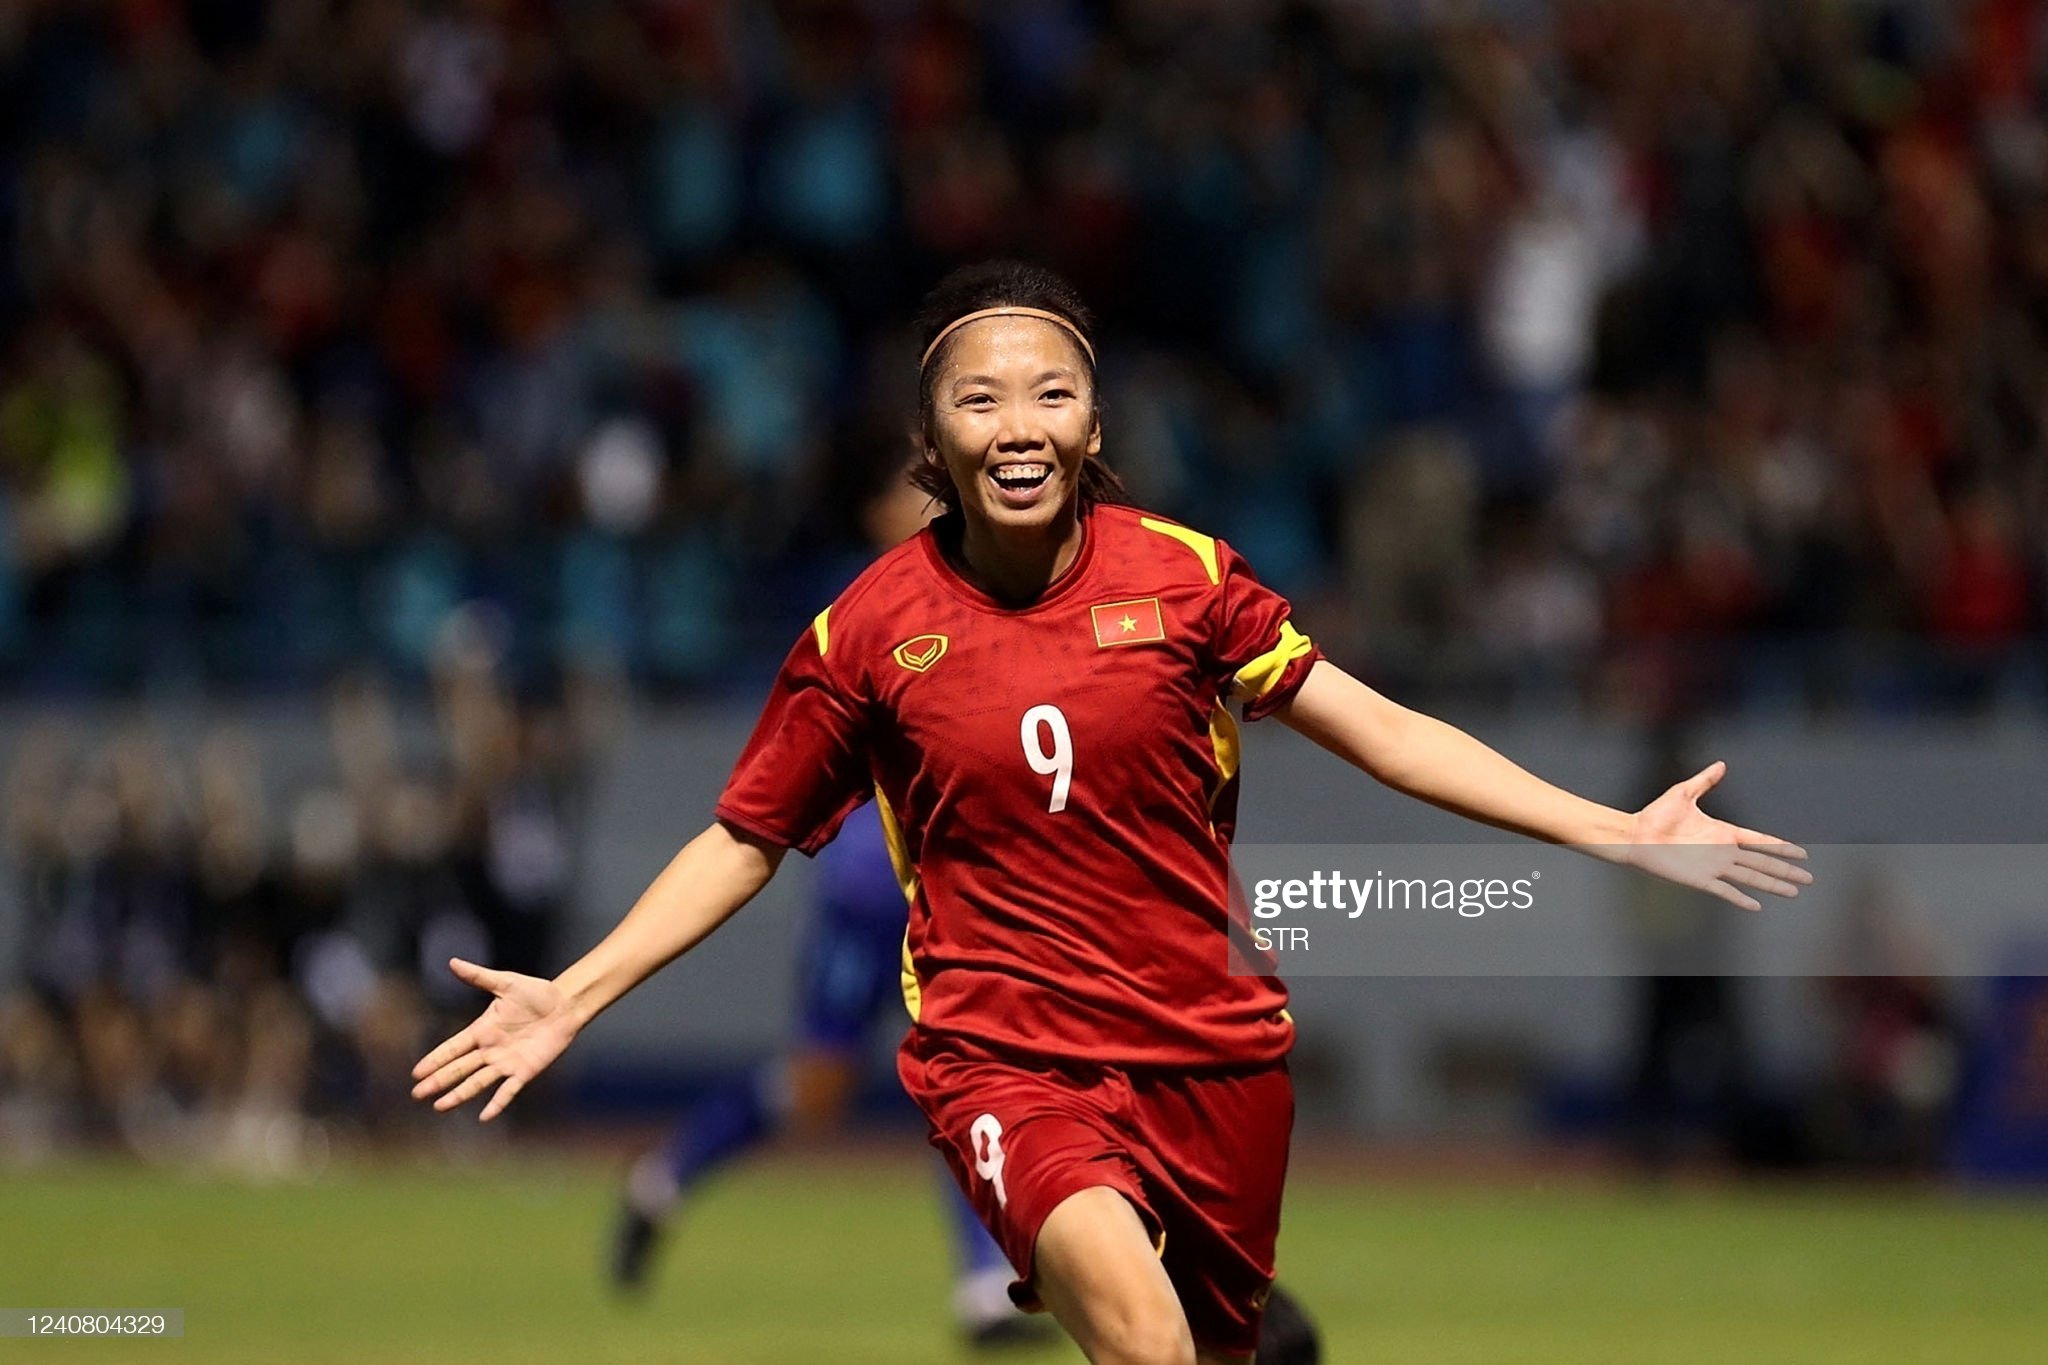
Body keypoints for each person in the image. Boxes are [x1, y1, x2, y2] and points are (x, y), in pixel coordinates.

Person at [413, 260, 1809, 1365]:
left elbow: (1380, 730)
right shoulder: (866, 632)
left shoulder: (1191, 583)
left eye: (1050, 394)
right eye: (980, 400)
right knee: (1141, 1340)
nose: (1018, 426)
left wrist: (1612, 826)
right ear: (929, 440)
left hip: (1212, 1059)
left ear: (1093, 423)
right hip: (1006, 1059)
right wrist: (577, 993)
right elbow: (746, 835)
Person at [606, 480, 1059, 1348]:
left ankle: (983, 1282)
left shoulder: (1004, 599)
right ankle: (663, 1178)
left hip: (948, 883)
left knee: (971, 1064)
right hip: (865, 883)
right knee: (821, 1083)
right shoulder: (878, 607)